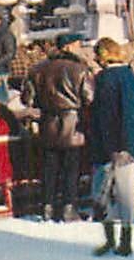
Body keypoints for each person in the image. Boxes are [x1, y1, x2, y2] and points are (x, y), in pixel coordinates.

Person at [26, 34, 95, 222]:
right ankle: (69, 207)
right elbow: (89, 98)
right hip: (73, 123)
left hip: (48, 122)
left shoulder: (37, 69)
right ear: (70, 46)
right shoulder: (80, 70)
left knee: (49, 168)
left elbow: (27, 100)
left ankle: (47, 206)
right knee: (71, 169)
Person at [87, 38, 134, 257]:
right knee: (125, 194)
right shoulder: (130, 77)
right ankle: (125, 239)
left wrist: (113, 146)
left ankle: (111, 239)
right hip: (127, 145)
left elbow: (105, 116)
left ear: (103, 55)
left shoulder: (105, 79)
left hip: (107, 146)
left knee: (102, 194)